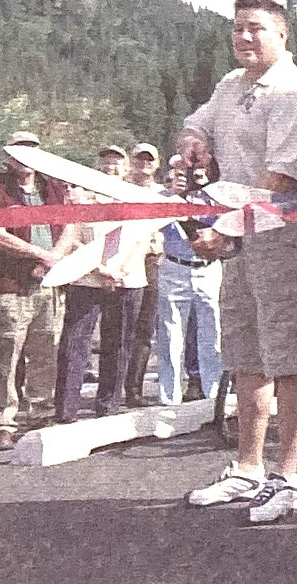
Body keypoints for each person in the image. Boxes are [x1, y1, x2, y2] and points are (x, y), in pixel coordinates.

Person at [180, 0, 297, 524]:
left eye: (257, 29)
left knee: (290, 353)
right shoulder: (229, 85)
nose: (245, 38)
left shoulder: (295, 91)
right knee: (245, 350)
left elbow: (283, 179)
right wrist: (193, 139)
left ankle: (286, 479)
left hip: (280, 234)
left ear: (282, 35)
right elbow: (198, 124)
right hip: (237, 234)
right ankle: (247, 467)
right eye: (238, 29)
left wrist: (223, 227)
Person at [0, 131, 76, 451]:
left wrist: (55, 257)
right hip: (9, 286)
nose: (25, 156)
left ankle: (41, 413)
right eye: (18, 151)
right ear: (9, 156)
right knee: (6, 354)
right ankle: (2, 420)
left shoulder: (55, 189)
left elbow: (71, 222)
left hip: (48, 283)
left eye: (31, 150)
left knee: (46, 349)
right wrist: (40, 255)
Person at [54, 146, 150, 421]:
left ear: (127, 168)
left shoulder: (137, 200)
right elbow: (71, 238)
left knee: (118, 345)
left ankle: (108, 406)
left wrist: (119, 271)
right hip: (87, 278)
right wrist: (100, 270)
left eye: (117, 164)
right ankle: (66, 409)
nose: (111, 168)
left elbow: (142, 239)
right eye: (106, 163)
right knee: (75, 343)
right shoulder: (82, 199)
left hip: (128, 279)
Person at [155, 160, 222, 405]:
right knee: (170, 333)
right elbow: (155, 224)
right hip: (175, 266)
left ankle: (212, 393)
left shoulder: (215, 198)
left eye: (201, 171)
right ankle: (169, 396)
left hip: (208, 268)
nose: (196, 176)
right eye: (187, 173)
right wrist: (174, 197)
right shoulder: (164, 198)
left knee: (211, 331)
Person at [124, 143, 164, 405]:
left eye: (149, 160)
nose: (144, 164)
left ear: (157, 164)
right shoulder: (119, 190)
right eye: (139, 159)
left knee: (143, 329)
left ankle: (134, 389)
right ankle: (113, 389)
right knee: (120, 328)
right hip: (124, 261)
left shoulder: (163, 194)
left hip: (151, 262)